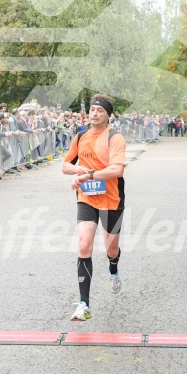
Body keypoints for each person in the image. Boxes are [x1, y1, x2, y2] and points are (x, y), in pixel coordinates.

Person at [62, 94, 126, 322]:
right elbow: (66, 164)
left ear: (108, 115)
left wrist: (88, 173)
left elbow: (117, 170)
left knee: (111, 248)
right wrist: (77, 172)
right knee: (84, 244)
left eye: (100, 110)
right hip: (87, 198)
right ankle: (83, 304)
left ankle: (113, 267)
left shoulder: (115, 138)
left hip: (112, 199)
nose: (95, 113)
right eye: (92, 109)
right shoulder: (81, 136)